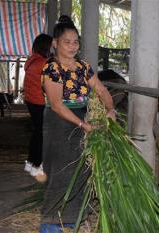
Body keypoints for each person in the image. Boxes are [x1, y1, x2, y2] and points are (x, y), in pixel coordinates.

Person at [39, 15, 115, 232]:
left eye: (75, 42)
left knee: (81, 172)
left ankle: (72, 221)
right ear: (55, 43)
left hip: (81, 118)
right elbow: (56, 105)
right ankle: (51, 225)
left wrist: (110, 109)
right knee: (60, 173)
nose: (72, 46)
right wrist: (84, 126)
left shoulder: (83, 66)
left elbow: (100, 89)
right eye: (66, 42)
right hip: (58, 123)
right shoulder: (52, 68)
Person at [23, 33, 53, 181]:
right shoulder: (43, 63)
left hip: (31, 101)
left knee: (37, 132)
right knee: (41, 134)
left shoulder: (32, 60)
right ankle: (37, 165)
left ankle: (30, 163)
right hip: (39, 102)